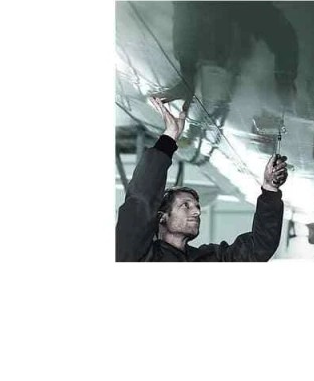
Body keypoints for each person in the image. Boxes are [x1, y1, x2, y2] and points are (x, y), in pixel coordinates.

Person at [115, 97, 289, 261]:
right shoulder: (136, 256)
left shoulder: (209, 259)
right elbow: (141, 201)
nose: (197, 212)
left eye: (197, 206)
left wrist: (270, 189)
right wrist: (168, 139)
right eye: (186, 205)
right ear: (162, 217)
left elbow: (259, 248)